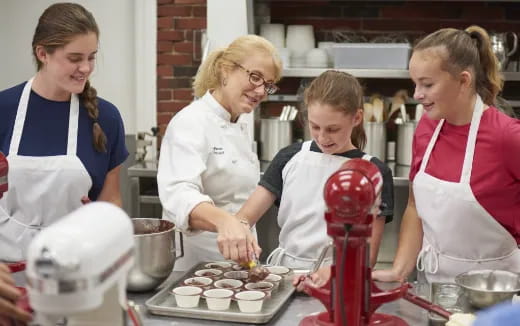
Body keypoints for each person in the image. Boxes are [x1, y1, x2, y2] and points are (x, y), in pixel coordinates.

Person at [373, 25, 520, 284]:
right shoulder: (426, 129)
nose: (417, 95)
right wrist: (399, 270)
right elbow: (414, 206)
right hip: (434, 289)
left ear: (464, 80)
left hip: (497, 295)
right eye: (415, 83)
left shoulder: (507, 137)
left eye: (427, 84)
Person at [0, 3, 128, 262]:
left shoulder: (107, 118)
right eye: (74, 58)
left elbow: (111, 200)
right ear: (43, 53)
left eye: (91, 57)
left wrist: (101, 224)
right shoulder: (4, 108)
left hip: (74, 272)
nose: (86, 68)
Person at [235, 70, 394, 271]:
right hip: (285, 273)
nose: (322, 137)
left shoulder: (375, 173)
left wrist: (331, 274)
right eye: (315, 126)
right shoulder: (290, 157)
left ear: (357, 118)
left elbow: (367, 257)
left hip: (341, 276)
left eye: (333, 129)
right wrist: (238, 233)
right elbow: (245, 217)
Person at [157, 35, 282, 271]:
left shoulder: (241, 124)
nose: (260, 91)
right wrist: (225, 221)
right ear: (226, 70)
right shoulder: (191, 122)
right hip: (195, 267)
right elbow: (179, 195)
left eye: (268, 84)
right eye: (255, 77)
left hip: (238, 262)